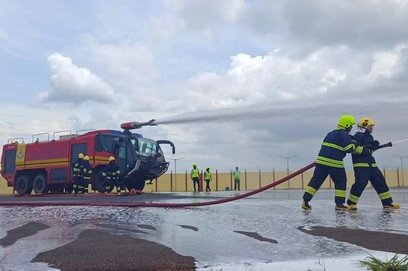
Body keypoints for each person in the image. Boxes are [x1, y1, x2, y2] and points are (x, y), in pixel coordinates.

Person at [302, 115, 370, 211]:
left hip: (321, 161)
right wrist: (354, 141)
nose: (351, 128)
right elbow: (349, 149)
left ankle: (305, 201)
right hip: (335, 163)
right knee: (340, 182)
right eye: (351, 126)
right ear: (347, 125)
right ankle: (339, 204)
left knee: (316, 181)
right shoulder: (344, 135)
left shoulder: (331, 133)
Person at [347, 117, 400, 210]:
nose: (371, 128)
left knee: (380, 182)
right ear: (364, 126)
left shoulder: (370, 137)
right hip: (361, 165)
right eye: (370, 126)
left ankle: (387, 203)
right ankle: (351, 203)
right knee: (360, 183)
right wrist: (367, 147)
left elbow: (370, 151)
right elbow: (354, 149)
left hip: (372, 165)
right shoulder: (357, 136)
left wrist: (374, 145)